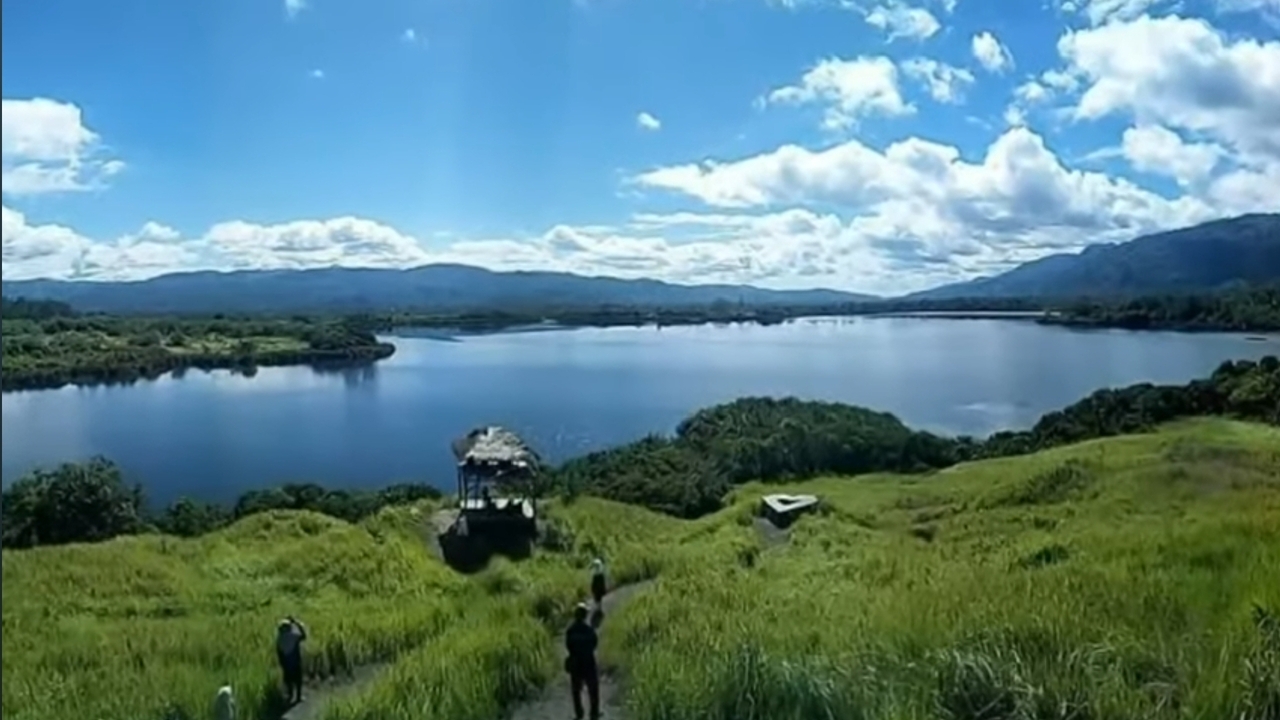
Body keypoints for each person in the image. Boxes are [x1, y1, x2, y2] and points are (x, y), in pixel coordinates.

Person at [565, 603, 600, 720]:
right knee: (593, 688)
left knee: (576, 690)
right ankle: (594, 712)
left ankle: (579, 712)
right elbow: (594, 643)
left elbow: (568, 645)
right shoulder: (588, 630)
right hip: (588, 661)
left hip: (576, 661)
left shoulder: (570, 630)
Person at [276, 616, 308, 704]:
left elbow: (279, 653)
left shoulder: (279, 639)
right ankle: (298, 697)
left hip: (286, 664)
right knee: (298, 681)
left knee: (288, 681)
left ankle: (289, 698)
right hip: (295, 662)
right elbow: (304, 635)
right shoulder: (292, 636)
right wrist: (296, 622)